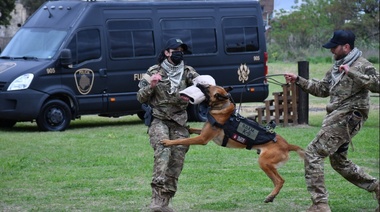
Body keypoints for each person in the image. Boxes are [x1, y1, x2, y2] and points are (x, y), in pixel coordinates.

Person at [284, 30, 380, 212]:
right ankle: (376, 187)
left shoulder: (363, 65)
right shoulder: (337, 67)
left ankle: (320, 205)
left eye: (334, 47)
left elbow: (378, 85)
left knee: (313, 152)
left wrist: (352, 73)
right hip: (336, 117)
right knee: (339, 162)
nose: (331, 51)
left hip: (349, 117)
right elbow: (322, 89)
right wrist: (299, 80)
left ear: (346, 47)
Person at [137, 38, 199, 212]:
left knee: (176, 161)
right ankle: (156, 199)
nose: (179, 52)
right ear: (166, 52)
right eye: (175, 49)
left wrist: (192, 95)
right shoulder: (153, 71)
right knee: (163, 153)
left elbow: (202, 86)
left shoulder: (187, 71)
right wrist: (152, 85)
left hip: (180, 123)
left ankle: (165, 200)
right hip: (159, 120)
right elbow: (140, 97)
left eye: (181, 50)